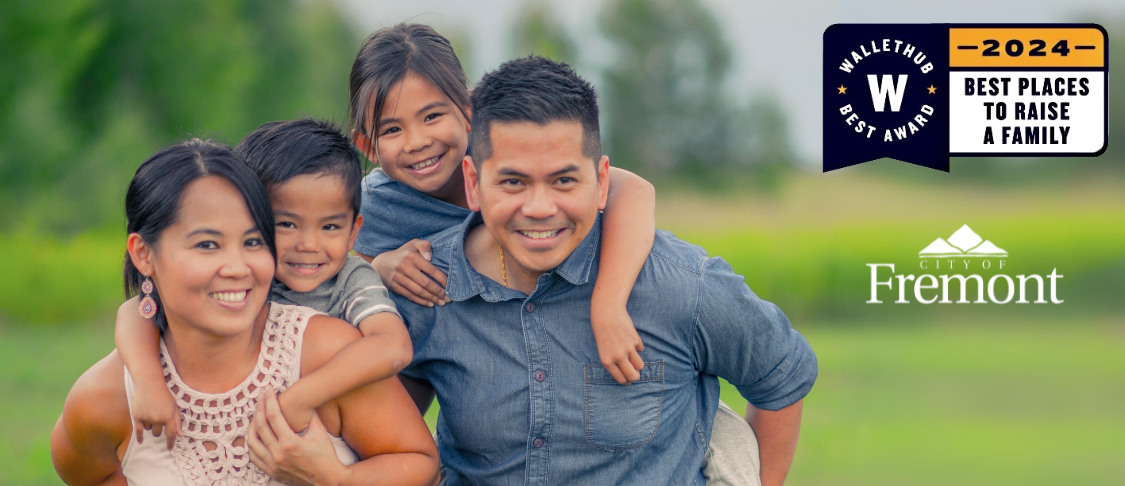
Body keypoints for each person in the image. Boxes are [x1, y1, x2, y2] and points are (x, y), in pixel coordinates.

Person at [391, 56, 818, 485]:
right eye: (513, 182)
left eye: (563, 181)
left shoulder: (681, 285)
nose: (539, 209)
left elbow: (781, 376)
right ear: (472, 183)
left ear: (601, 181)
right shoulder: (424, 289)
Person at [50, 139, 438, 485]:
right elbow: (86, 473)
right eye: (206, 245)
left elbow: (421, 464)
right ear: (143, 254)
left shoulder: (329, 352)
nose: (238, 267)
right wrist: (148, 380)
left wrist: (335, 479)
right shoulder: (108, 395)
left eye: (253, 241)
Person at [347, 23, 654, 386]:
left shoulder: (501, 156)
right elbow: (345, 281)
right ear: (368, 147)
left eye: (432, 117)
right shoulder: (377, 205)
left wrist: (608, 305)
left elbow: (633, 189)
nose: (417, 141)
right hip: (467, 354)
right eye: (392, 130)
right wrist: (379, 268)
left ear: (469, 111)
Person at [114, 119, 415, 442]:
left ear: (354, 231)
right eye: (286, 224)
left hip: (336, 436)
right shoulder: (254, 276)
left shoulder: (351, 280)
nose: (309, 245)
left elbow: (393, 346)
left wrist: (303, 396)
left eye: (329, 227)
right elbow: (139, 309)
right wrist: (147, 381)